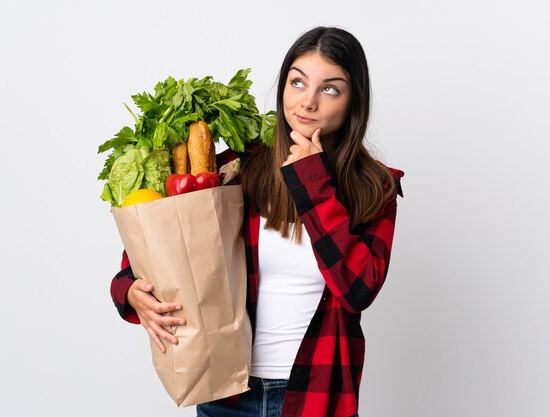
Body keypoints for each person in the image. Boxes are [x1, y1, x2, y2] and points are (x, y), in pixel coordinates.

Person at [110, 25, 404, 417]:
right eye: (298, 82)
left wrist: (313, 181)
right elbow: (164, 243)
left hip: (314, 395)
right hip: (225, 391)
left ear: (354, 101)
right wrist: (130, 291)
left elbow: (358, 289)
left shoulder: (376, 187)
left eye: (330, 89)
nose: (308, 102)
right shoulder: (241, 166)